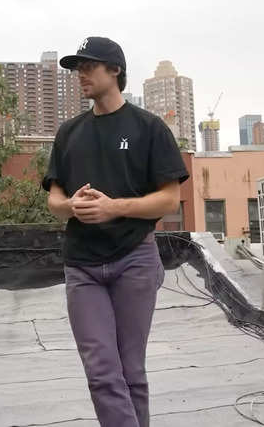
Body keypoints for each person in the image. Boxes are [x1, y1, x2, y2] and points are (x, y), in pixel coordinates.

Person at [42, 37, 190, 427]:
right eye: (78, 69)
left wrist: (113, 207)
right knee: (103, 372)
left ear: (115, 71)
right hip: (83, 267)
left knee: (131, 373)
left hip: (135, 260)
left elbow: (169, 200)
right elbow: (53, 199)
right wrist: (72, 205)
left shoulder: (149, 128)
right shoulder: (69, 133)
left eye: (88, 67)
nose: (81, 75)